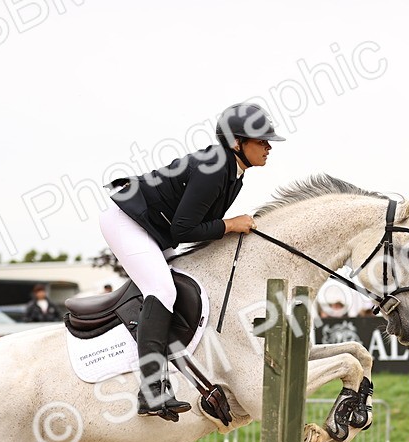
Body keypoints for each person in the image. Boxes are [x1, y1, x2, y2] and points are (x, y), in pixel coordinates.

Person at [100, 102, 283, 421]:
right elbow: (183, 230)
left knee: (187, 282)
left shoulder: (233, 173)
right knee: (162, 289)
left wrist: (228, 226)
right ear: (236, 142)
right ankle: (151, 389)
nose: (269, 147)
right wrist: (230, 224)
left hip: (151, 229)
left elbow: (194, 227)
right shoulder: (214, 168)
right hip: (127, 222)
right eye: (261, 140)